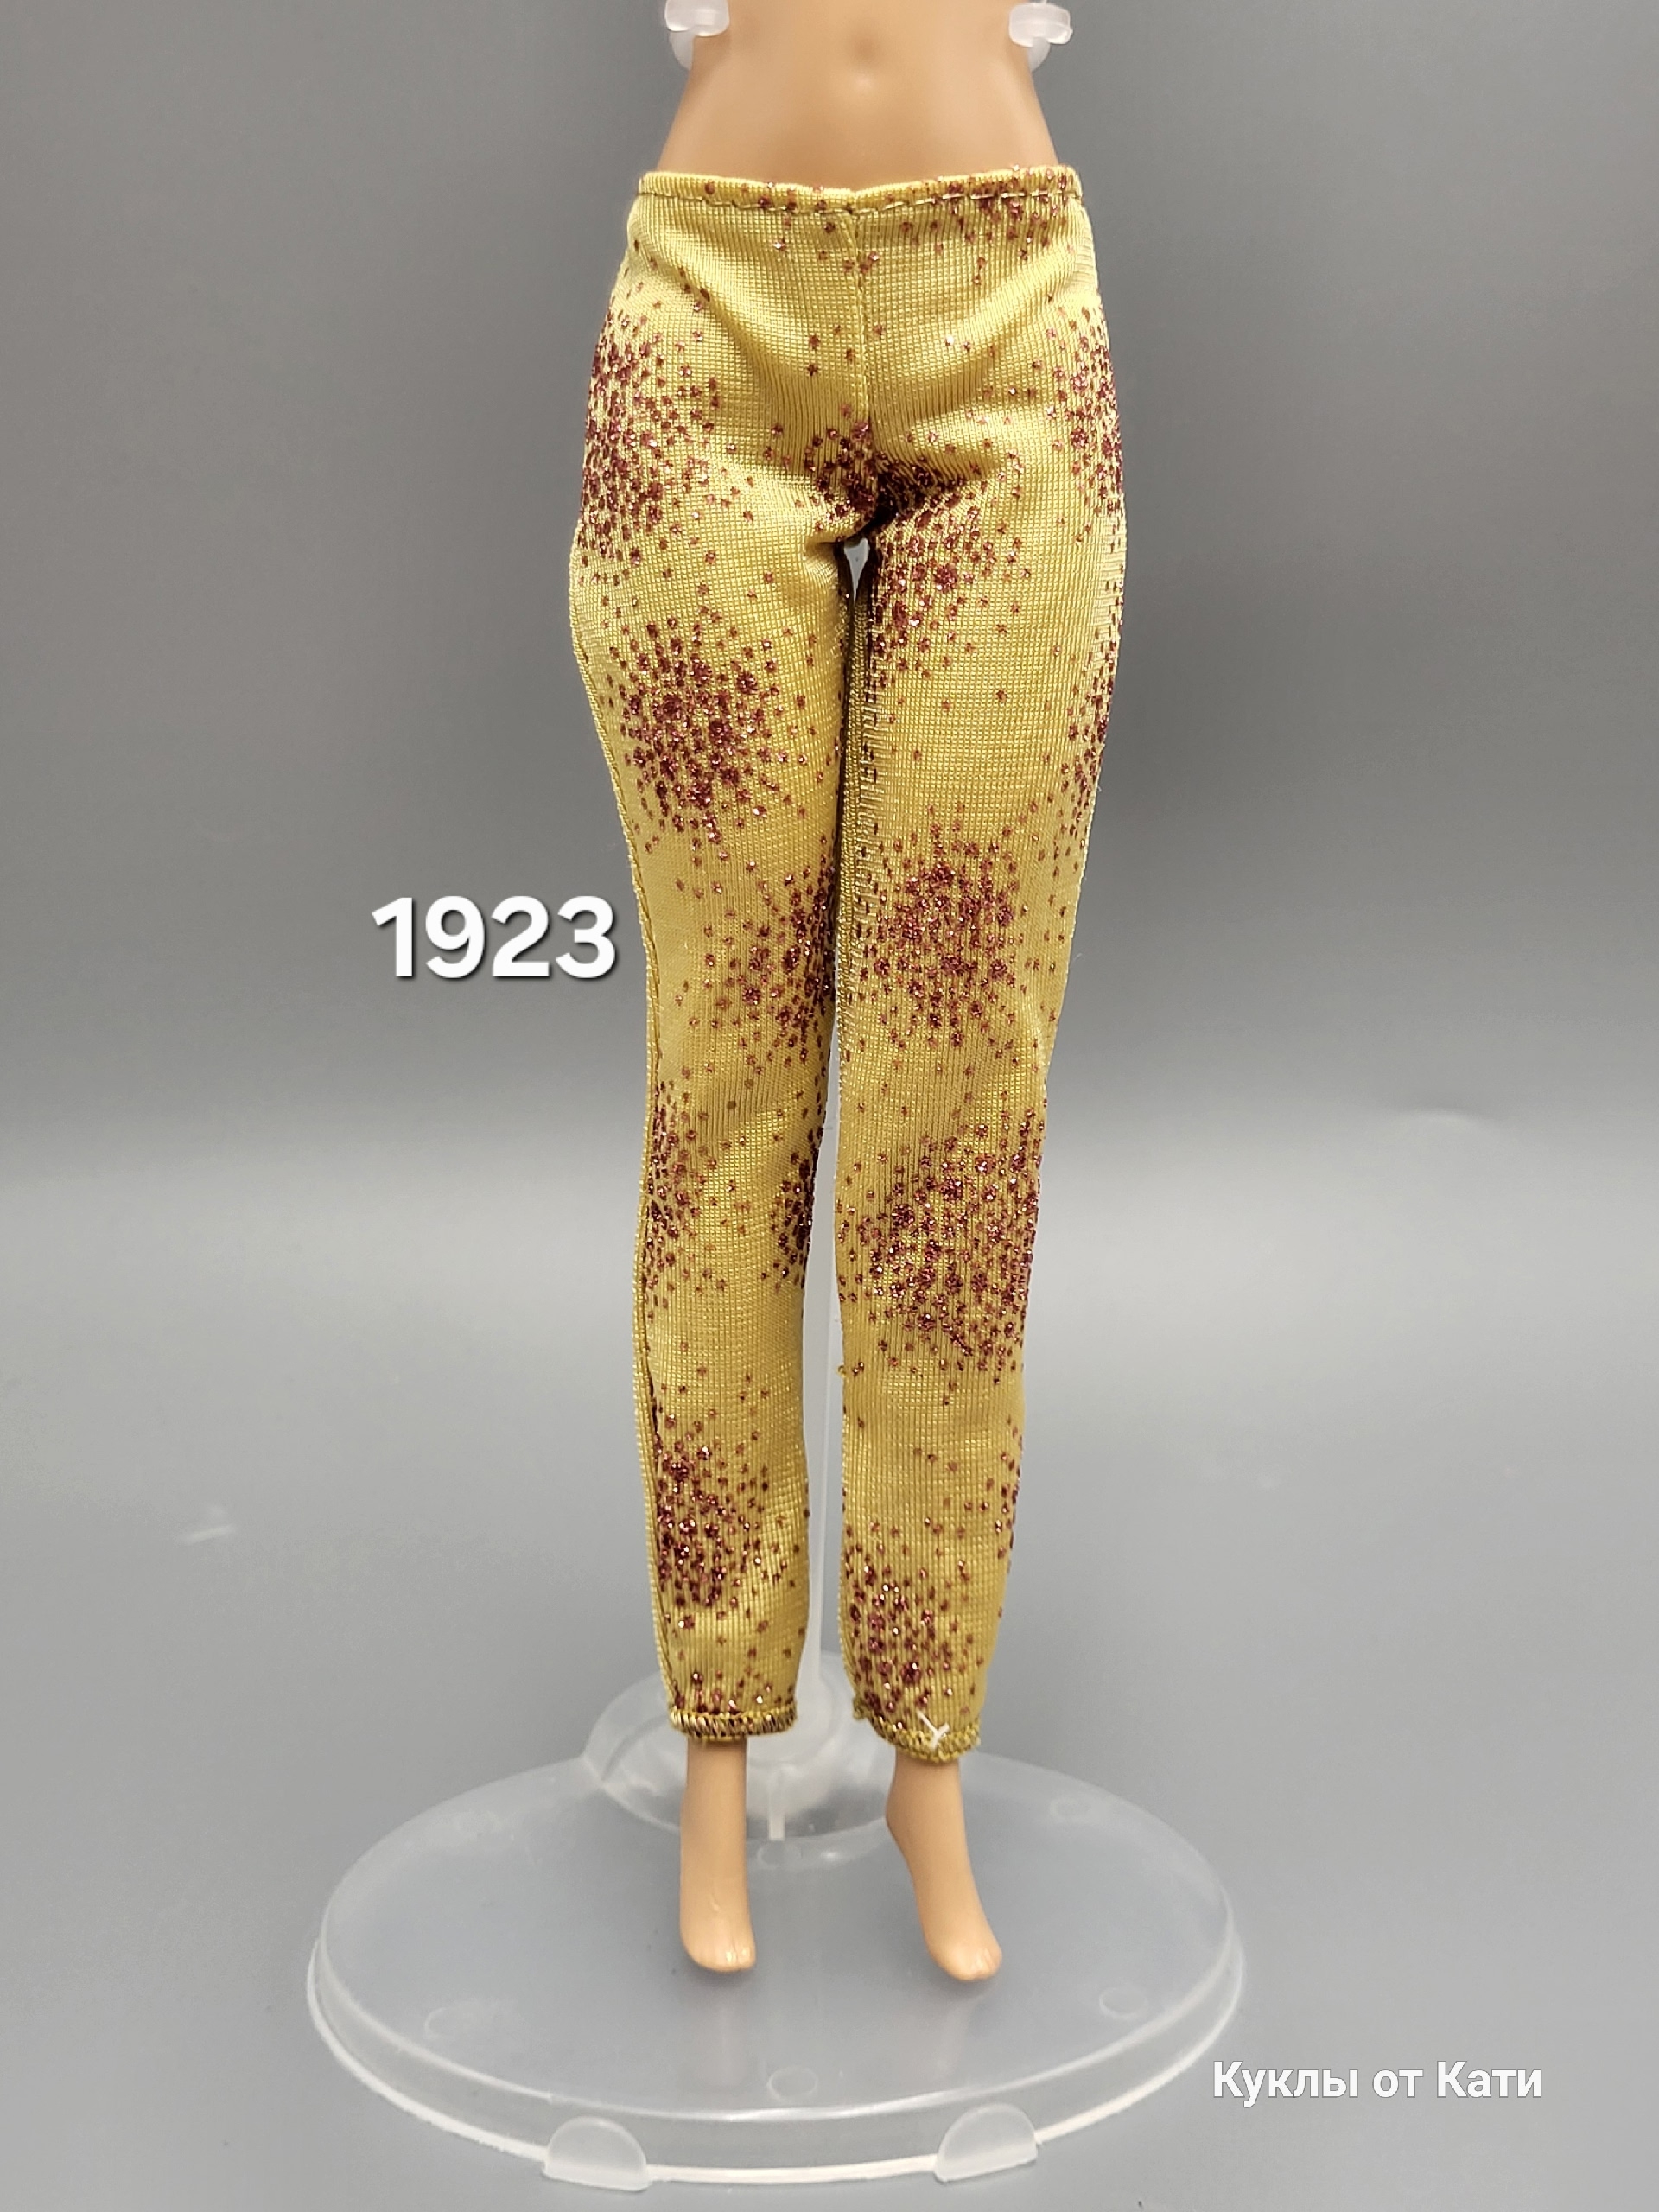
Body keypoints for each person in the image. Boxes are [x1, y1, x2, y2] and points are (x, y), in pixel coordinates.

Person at [568, 0, 1124, 1980]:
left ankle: (926, 1749)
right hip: (707, 327)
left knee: (959, 1110)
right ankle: (721, 1731)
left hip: (1010, 327)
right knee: (724, 1086)